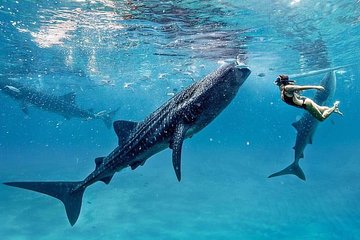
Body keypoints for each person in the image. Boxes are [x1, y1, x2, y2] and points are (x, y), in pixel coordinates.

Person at [274, 75, 343, 121]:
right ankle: (334, 110)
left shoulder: (287, 88)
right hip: (305, 102)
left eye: (278, 80)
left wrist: (316, 87)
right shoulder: (283, 89)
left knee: (321, 118)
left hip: (306, 104)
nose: (276, 82)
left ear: (282, 82)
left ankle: (334, 106)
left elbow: (301, 87)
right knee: (321, 109)